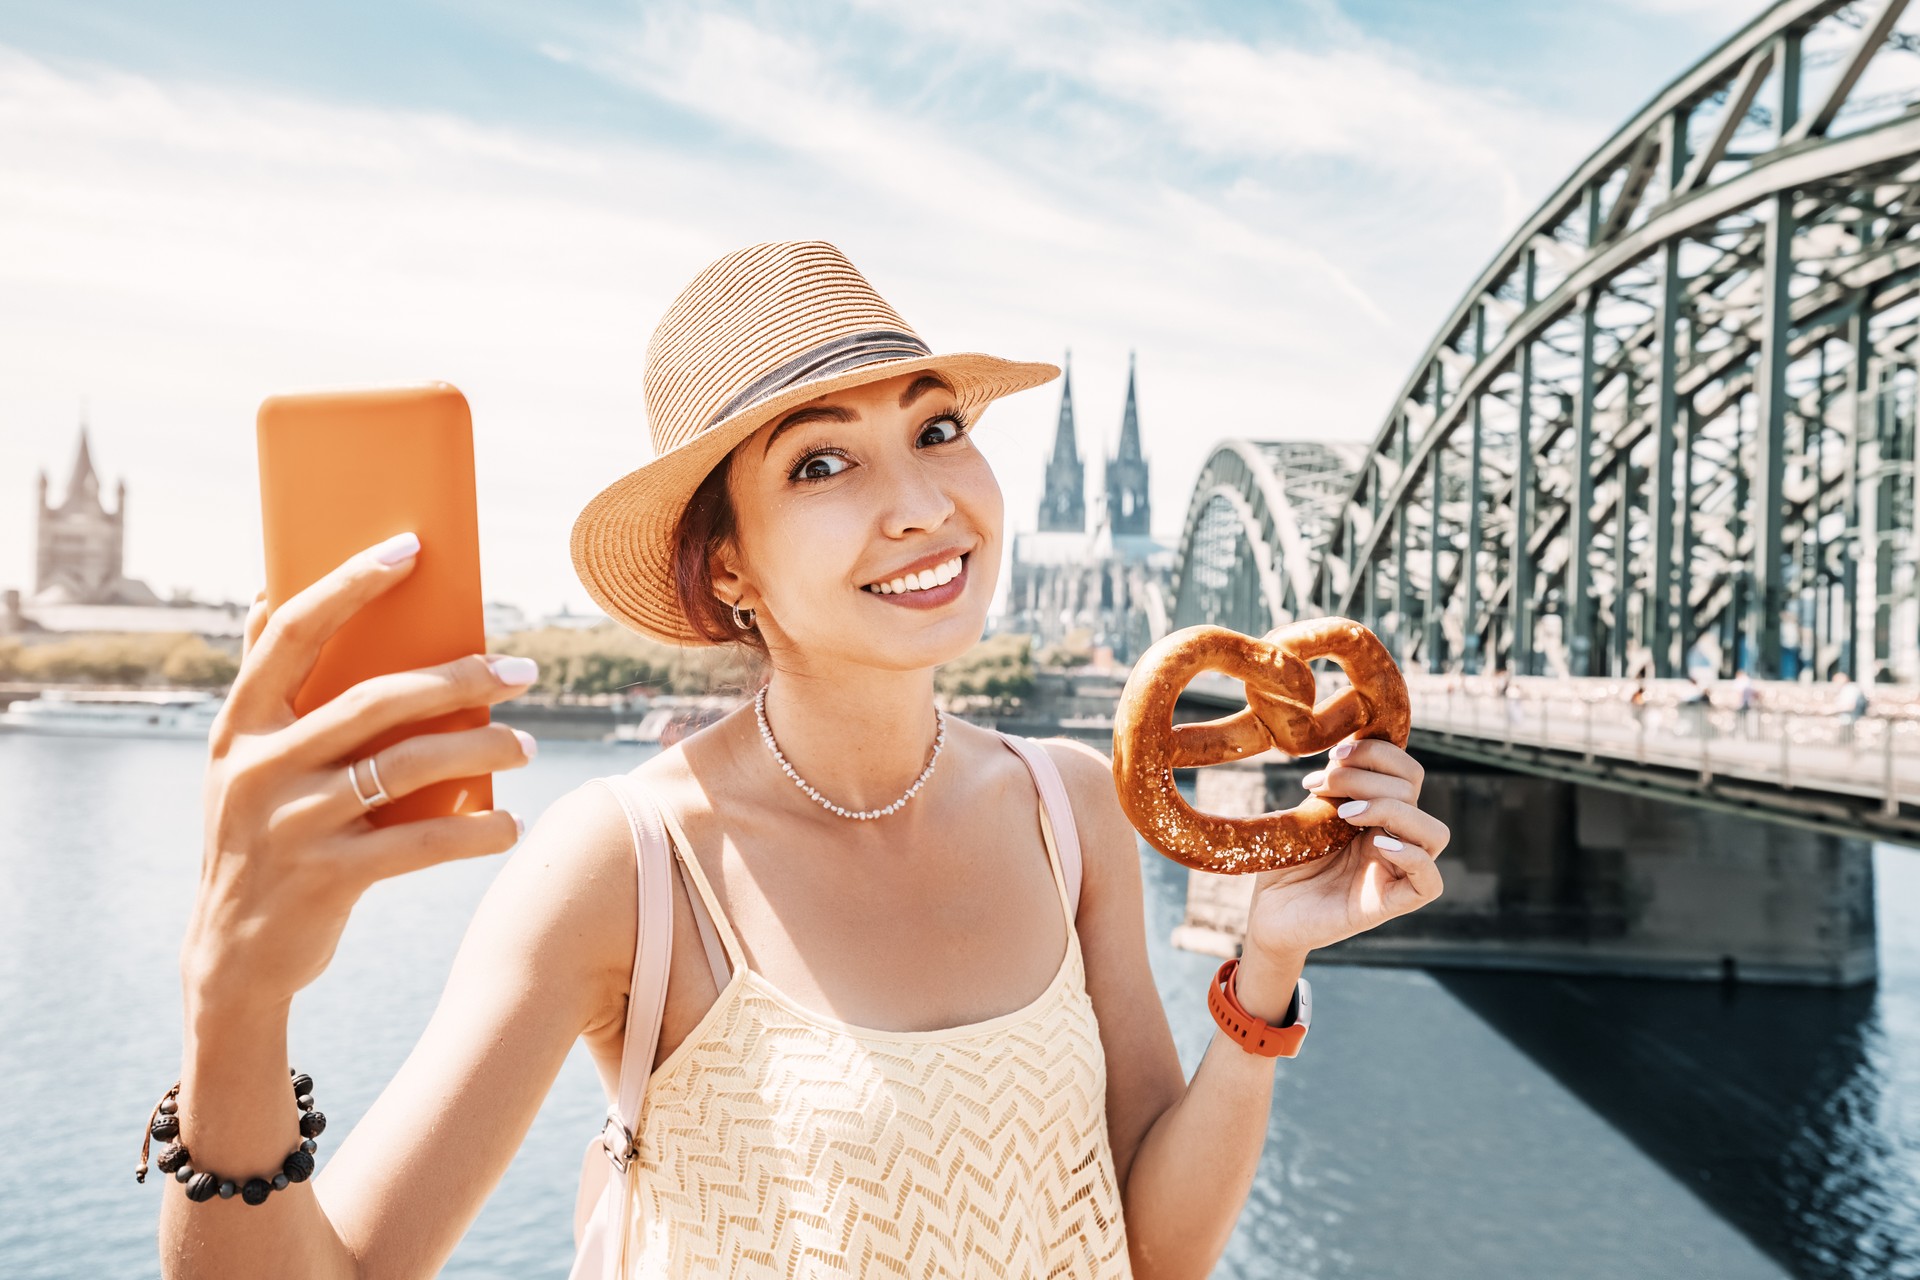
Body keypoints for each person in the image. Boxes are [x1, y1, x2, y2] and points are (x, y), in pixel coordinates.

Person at [154, 241, 1450, 1279]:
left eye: (938, 428)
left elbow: (1154, 1254)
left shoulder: (1069, 807)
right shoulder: (629, 862)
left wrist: (1266, 963)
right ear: (727, 565)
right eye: (824, 461)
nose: (921, 503)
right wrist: (234, 1002)